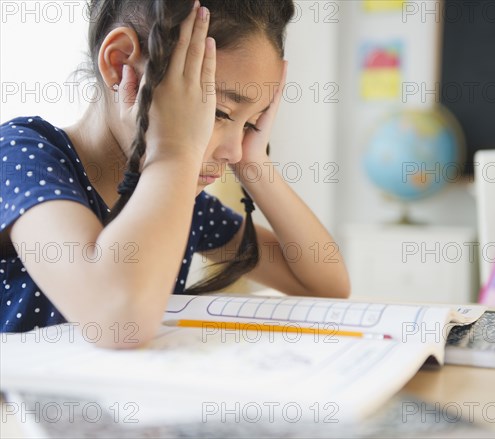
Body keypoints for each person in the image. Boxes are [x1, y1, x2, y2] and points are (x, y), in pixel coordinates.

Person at [0, 0, 350, 346]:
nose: (234, 151)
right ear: (121, 64)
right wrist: (173, 152)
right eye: (221, 113)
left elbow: (325, 285)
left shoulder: (181, 200)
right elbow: (116, 318)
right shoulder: (20, 154)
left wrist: (255, 164)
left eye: (252, 124)